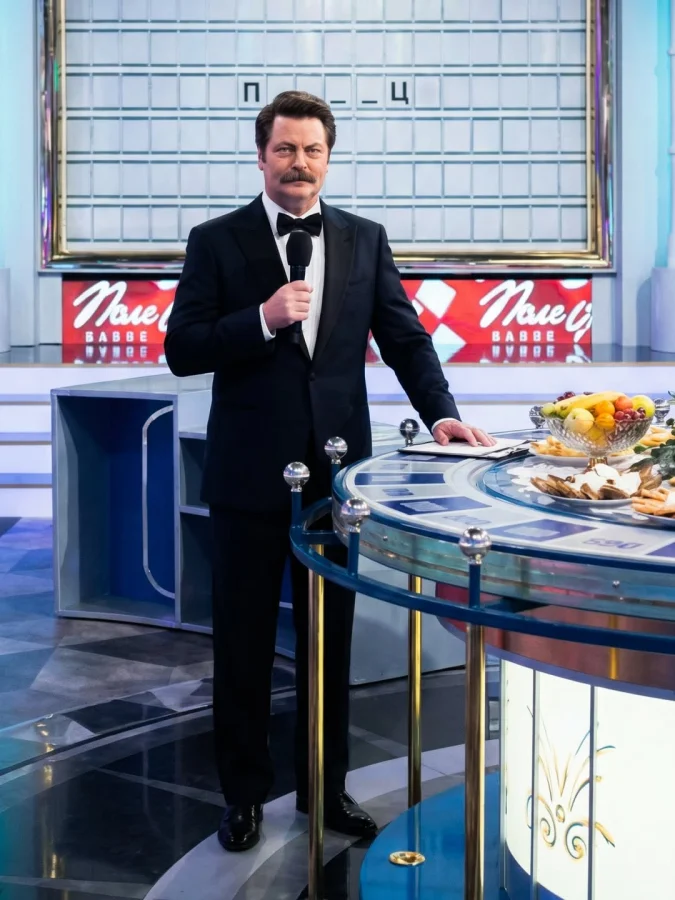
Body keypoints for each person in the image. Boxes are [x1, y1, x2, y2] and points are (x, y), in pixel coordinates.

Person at [164, 90, 494, 853]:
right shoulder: (216, 240)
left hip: (334, 481)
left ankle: (324, 788)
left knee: (327, 641)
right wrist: (261, 319)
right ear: (261, 156)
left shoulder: (363, 238)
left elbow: (404, 338)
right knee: (242, 645)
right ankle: (243, 796)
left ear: (328, 158)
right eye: (285, 149)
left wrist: (441, 413)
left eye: (312, 150)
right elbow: (183, 347)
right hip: (247, 477)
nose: (299, 163)